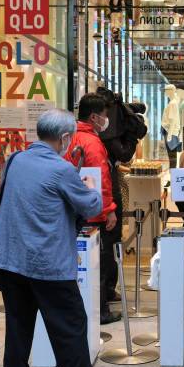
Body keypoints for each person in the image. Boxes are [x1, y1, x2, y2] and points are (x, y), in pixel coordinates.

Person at [0, 109, 101, 367]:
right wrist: (90, 186)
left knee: (17, 332)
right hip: (49, 267)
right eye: (71, 138)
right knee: (70, 333)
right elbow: (91, 206)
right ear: (64, 137)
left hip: (11, 263)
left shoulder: (15, 160)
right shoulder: (61, 169)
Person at [64, 93, 120, 325]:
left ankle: (82, 307)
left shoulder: (69, 138)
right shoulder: (92, 142)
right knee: (99, 262)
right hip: (93, 212)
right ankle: (101, 311)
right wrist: (108, 209)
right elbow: (101, 180)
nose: (106, 120)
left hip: (74, 210)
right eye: (105, 116)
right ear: (95, 117)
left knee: (80, 262)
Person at [96, 88, 146, 306]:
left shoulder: (91, 135)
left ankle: (103, 289)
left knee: (102, 243)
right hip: (105, 193)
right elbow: (124, 155)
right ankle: (105, 291)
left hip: (97, 193)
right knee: (108, 241)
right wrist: (132, 135)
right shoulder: (106, 136)